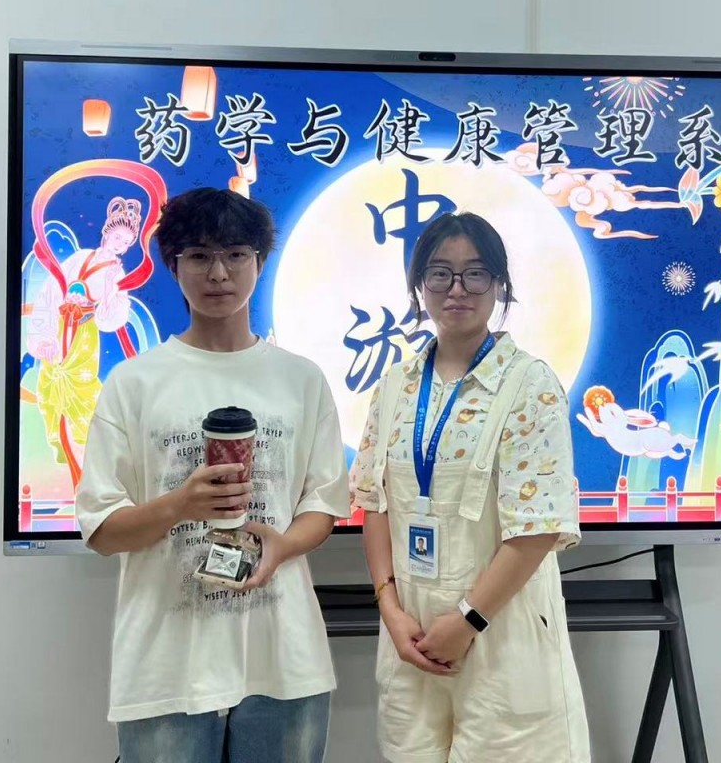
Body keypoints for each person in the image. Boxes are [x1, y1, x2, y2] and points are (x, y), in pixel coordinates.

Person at [76, 187, 351, 763]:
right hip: (166, 667)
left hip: (283, 661)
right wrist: (180, 504)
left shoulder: (301, 380)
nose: (219, 273)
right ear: (173, 265)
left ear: (259, 262)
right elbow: (101, 531)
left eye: (236, 255)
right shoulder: (134, 383)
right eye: (199, 256)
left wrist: (282, 546)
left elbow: (322, 504)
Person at [350, 211, 590, 763]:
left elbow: (539, 528)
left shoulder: (529, 385)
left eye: (475, 273)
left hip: (499, 630)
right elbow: (375, 503)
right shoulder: (394, 385)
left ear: (499, 284)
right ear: (419, 285)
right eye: (440, 273)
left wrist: (468, 620)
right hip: (410, 633)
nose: (457, 289)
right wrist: (389, 609)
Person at [28, 196, 142, 483]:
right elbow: (51, 292)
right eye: (117, 237)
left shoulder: (117, 273)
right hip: (59, 329)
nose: (119, 244)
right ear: (106, 232)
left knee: (82, 396)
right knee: (50, 390)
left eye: (126, 243)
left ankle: (88, 463)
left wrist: (113, 290)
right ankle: (62, 455)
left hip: (84, 337)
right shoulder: (79, 257)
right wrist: (44, 336)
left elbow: (110, 320)